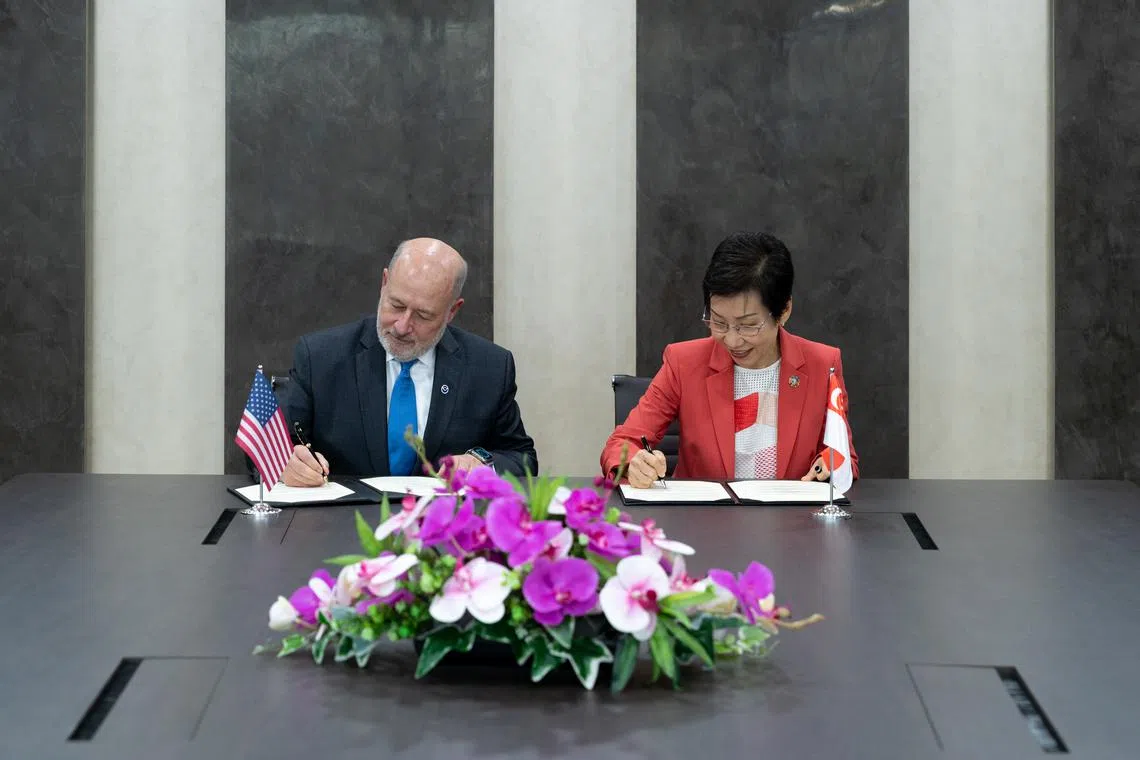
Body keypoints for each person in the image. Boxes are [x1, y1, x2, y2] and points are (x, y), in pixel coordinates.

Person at [601, 231, 858, 488]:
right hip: (703, 522)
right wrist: (634, 462)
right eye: (719, 322)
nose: (732, 341)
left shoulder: (823, 364)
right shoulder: (684, 362)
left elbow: (843, 457)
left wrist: (830, 462)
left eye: (747, 326)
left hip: (791, 524)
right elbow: (621, 444)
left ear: (784, 311)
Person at [279, 238, 538, 486]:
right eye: (396, 305)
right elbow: (271, 448)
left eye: (423, 315)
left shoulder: (489, 368)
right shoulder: (321, 357)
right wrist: (288, 465)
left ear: (452, 311)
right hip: (339, 526)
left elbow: (521, 458)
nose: (402, 326)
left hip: (442, 527)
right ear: (384, 283)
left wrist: (482, 464)